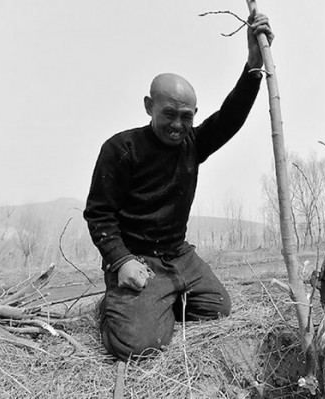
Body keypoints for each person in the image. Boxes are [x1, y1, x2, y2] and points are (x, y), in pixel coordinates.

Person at [83, 11, 274, 361]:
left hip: (179, 255)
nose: (177, 124)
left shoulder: (193, 145)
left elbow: (230, 116)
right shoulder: (120, 149)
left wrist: (253, 64)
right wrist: (121, 261)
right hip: (137, 257)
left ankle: (159, 299)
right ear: (148, 107)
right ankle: (116, 310)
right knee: (138, 347)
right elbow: (99, 215)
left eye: (187, 116)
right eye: (169, 113)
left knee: (218, 307)